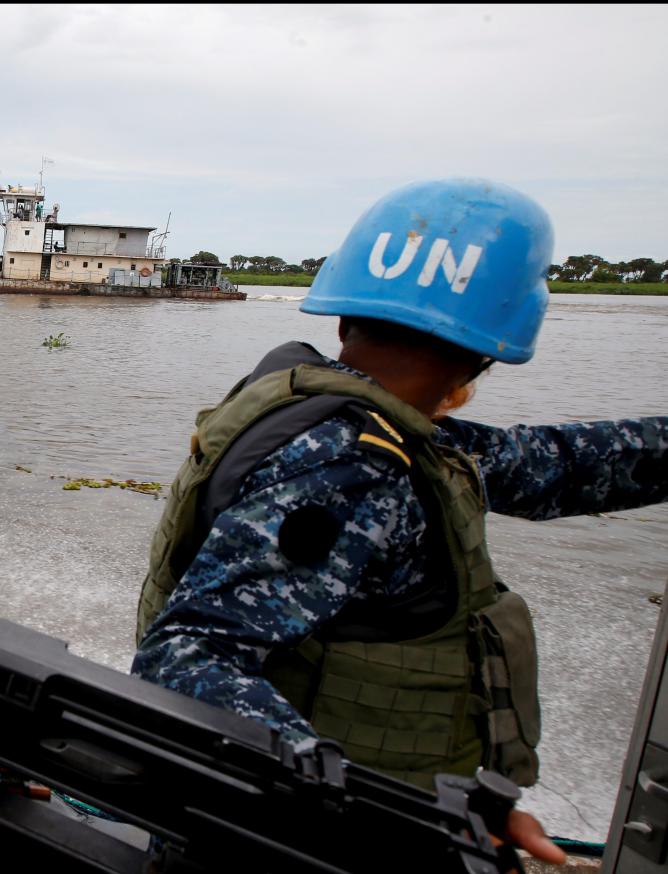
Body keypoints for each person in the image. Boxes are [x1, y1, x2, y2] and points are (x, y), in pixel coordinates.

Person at [131, 178, 668, 863]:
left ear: (343, 319)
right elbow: (188, 653)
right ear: (487, 352)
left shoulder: (339, 420)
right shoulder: (350, 466)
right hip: (302, 843)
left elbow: (545, 466)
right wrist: (382, 811)